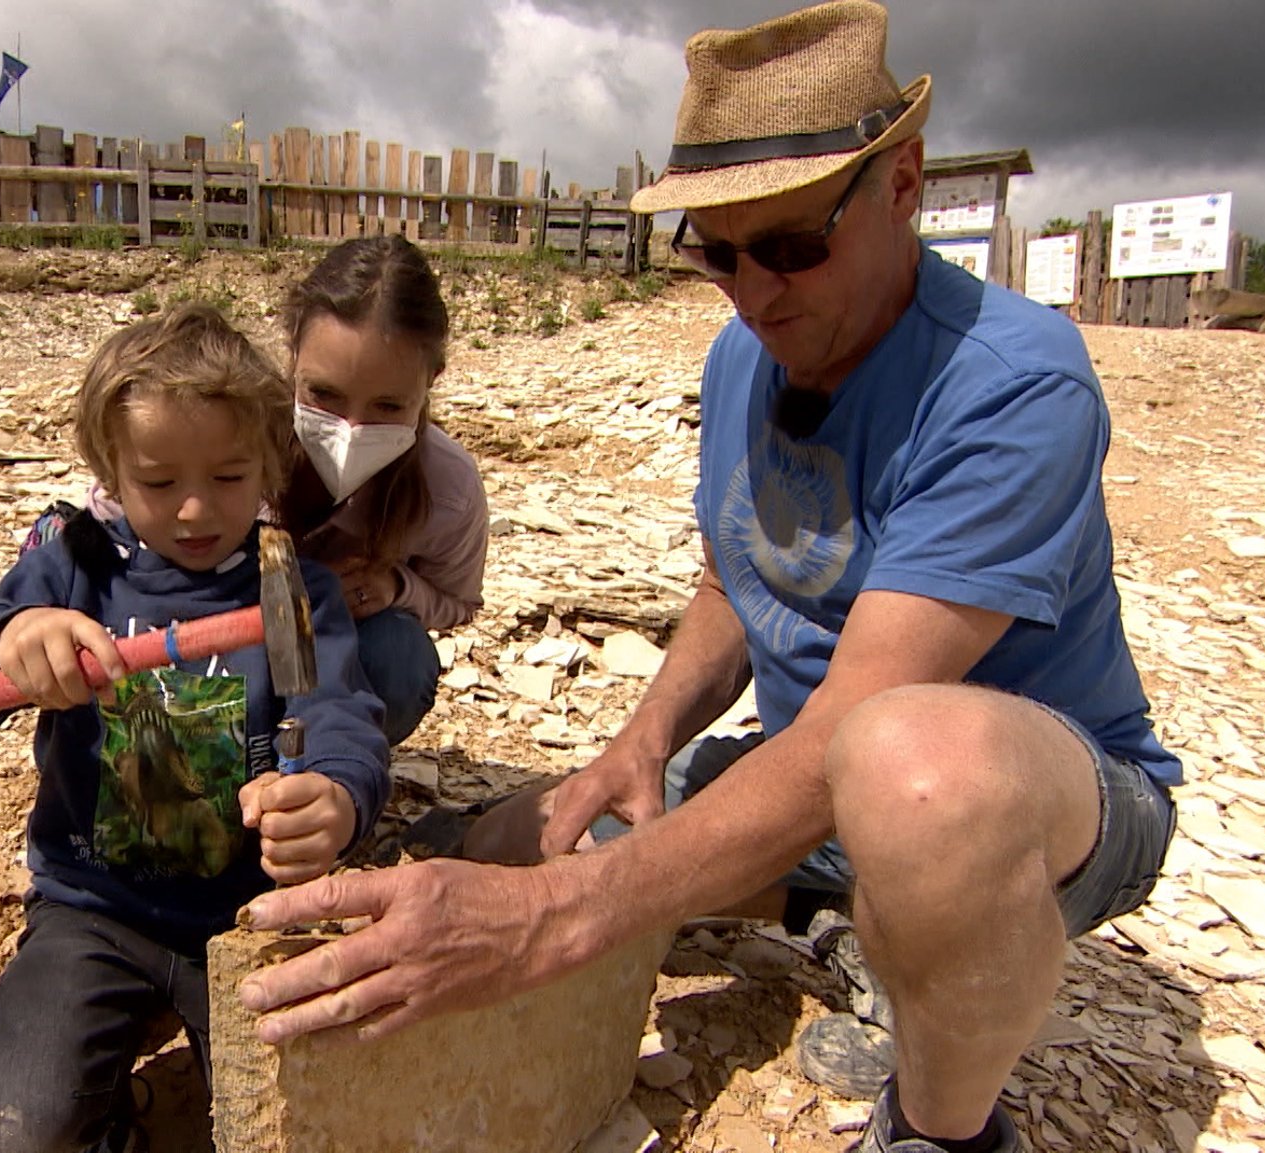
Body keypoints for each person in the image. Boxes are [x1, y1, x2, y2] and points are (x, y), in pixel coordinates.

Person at [234, 6, 1180, 1153]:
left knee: (908, 772)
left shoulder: (1012, 384)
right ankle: (836, 904)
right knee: (503, 843)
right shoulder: (749, 350)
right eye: (715, 250)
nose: (753, 290)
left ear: (902, 185)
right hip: (812, 783)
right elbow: (738, 583)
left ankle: (942, 1126)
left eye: (787, 245)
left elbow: (853, 721)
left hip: (1033, 803)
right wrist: (641, 743)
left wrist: (553, 919)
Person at [0, 304, 389, 1153]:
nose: (196, 509)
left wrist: (336, 796)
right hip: (92, 910)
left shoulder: (285, 583)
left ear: (271, 464)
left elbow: (334, 711)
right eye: (160, 483)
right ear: (110, 471)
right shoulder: (70, 568)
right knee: (10, 1130)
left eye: (232, 476)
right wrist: (7, 638)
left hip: (248, 916)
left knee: (315, 1122)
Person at [75, 236, 487, 746]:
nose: (350, 430)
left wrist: (395, 589)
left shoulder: (448, 488)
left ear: (431, 381)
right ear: (292, 354)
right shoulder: (228, 431)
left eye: (388, 406)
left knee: (398, 654)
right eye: (324, 394)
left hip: (327, 674)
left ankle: (326, 763)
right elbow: (105, 537)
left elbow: (458, 599)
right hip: (184, 652)